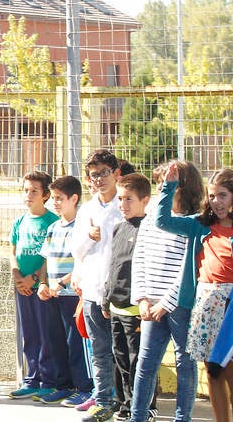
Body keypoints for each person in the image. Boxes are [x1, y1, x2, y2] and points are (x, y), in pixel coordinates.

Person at [156, 163, 233, 422]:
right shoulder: (200, 225)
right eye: (212, 195)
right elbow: (162, 221)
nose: (216, 201)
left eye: (223, 195)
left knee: (228, 367)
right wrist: (169, 186)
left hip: (230, 306)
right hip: (206, 303)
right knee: (212, 370)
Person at [129, 161, 203, 422]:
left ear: (184, 187)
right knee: (145, 364)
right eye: (160, 183)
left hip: (179, 306)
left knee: (185, 363)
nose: (162, 189)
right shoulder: (151, 220)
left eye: (169, 183)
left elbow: (187, 268)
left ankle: (182, 418)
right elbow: (140, 257)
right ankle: (137, 416)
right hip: (151, 304)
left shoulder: (193, 223)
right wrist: (142, 298)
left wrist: (167, 303)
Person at [70, 149, 124, 422]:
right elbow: (76, 250)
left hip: (121, 293)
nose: (98, 180)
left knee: (123, 352)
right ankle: (103, 399)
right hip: (92, 291)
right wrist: (90, 237)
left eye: (104, 173)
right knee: (100, 350)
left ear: (116, 174)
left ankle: (126, 402)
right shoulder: (87, 210)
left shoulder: (125, 206)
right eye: (93, 176)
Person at [36, 175, 93, 407]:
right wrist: (42, 284)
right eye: (54, 199)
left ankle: (84, 388)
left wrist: (62, 282)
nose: (55, 203)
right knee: (55, 341)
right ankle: (63, 386)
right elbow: (45, 260)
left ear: (74, 198)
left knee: (76, 344)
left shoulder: (82, 227)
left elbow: (84, 261)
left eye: (60, 199)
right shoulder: (53, 228)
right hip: (53, 295)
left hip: (72, 295)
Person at [100, 173, 152, 421]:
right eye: (120, 199)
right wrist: (106, 295)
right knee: (119, 358)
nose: (123, 204)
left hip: (136, 309)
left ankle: (142, 405)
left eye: (129, 199)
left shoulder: (149, 229)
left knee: (137, 361)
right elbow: (114, 265)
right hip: (116, 306)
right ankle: (123, 403)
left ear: (145, 200)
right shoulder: (119, 227)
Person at [6, 170, 62, 400]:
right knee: (29, 333)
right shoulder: (20, 221)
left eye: (34, 191)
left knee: (46, 332)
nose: (28, 195)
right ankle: (32, 378)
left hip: (41, 287)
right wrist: (18, 276)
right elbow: (12, 250)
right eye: (26, 190)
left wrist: (36, 279)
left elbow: (49, 256)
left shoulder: (52, 221)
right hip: (23, 286)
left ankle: (48, 380)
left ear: (46, 195)